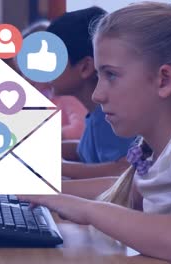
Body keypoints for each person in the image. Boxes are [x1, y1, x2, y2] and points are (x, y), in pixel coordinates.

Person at [19, 2, 171, 264]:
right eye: (98, 75)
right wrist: (52, 194)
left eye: (111, 75)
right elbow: (122, 190)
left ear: (164, 80)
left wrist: (87, 210)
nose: (97, 93)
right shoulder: (153, 148)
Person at [47, 7, 135, 179]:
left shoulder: (109, 115)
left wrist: (57, 167)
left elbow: (124, 170)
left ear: (86, 67)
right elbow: (86, 151)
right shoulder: (96, 114)